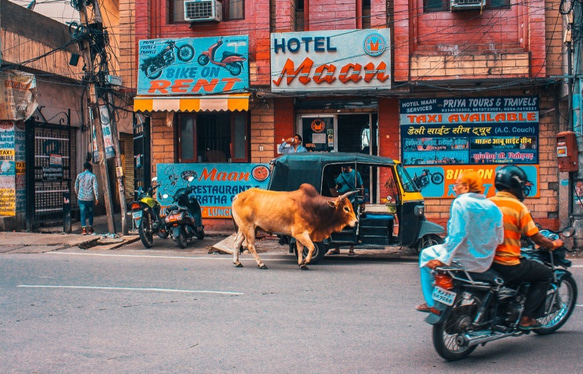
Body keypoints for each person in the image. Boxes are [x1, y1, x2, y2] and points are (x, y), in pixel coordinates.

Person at [416, 170, 504, 313]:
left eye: (456, 184)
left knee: (426, 255)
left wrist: (443, 259)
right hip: (484, 262)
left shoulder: (461, 203)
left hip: (462, 259)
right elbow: (499, 238)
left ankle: (431, 302)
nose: (454, 188)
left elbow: (457, 235)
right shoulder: (493, 207)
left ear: (466, 187)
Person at [489, 165, 562, 330]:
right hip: (507, 264)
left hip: (486, 261)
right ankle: (527, 318)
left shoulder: (488, 203)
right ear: (515, 186)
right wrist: (552, 244)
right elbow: (534, 236)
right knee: (545, 274)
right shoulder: (518, 207)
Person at [328, 164, 364, 256]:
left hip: (352, 202)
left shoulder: (356, 174)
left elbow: (361, 186)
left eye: (345, 167)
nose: (344, 169)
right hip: (342, 202)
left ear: (349, 167)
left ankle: (351, 249)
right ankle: (337, 248)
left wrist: (362, 200)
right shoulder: (340, 175)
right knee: (338, 223)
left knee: (352, 224)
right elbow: (337, 187)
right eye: (342, 168)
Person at [75, 162, 99, 235]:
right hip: (90, 198)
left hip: (81, 198)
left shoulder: (79, 176)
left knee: (82, 213)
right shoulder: (93, 176)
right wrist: (96, 197)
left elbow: (75, 186)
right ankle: (90, 228)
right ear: (90, 168)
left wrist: (78, 194)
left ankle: (84, 229)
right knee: (90, 213)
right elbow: (95, 187)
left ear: (84, 168)